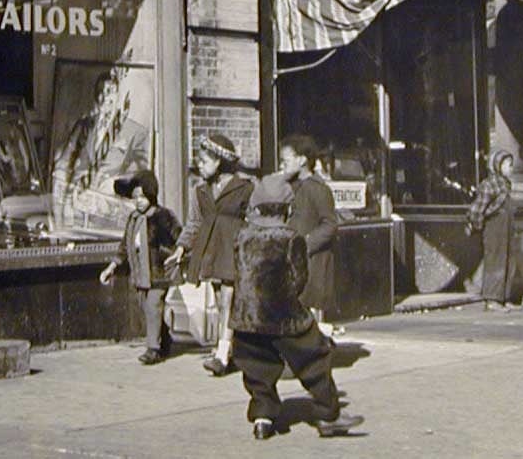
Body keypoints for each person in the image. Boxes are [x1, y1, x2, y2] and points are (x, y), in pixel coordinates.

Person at [230, 173, 363, 440]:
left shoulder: (243, 236)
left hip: (246, 316)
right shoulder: (291, 237)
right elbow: (299, 278)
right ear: (288, 208)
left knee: (257, 366)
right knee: (316, 357)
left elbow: (239, 272)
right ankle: (328, 415)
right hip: (283, 315)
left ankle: (263, 417)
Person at [165, 133, 253, 377]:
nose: (199, 165)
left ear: (220, 162)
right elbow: (194, 223)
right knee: (219, 300)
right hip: (210, 250)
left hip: (232, 247)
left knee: (228, 299)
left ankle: (223, 354)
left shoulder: (244, 188)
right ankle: (228, 349)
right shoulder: (199, 190)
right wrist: (181, 249)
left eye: (204, 160)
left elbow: (252, 220)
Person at [99, 169, 181, 365]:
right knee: (147, 308)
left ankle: (153, 349)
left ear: (152, 196)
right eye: (136, 197)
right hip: (141, 273)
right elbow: (124, 247)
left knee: (153, 306)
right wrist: (112, 267)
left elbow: (179, 236)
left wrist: (175, 254)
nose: (139, 201)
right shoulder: (133, 218)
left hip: (159, 273)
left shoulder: (162, 216)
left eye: (143, 197)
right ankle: (164, 338)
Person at [279, 134, 339, 336]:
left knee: (309, 311)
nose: (282, 165)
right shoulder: (291, 187)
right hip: (295, 261)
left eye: (285, 161)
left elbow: (330, 224)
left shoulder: (317, 189)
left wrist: (306, 243)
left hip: (313, 261)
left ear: (302, 160)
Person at [466, 148, 521, 310]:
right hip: (494, 228)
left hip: (507, 229)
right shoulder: (489, 184)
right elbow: (477, 209)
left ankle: (504, 297)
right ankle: (492, 299)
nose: (511, 169)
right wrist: (476, 225)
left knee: (509, 260)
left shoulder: (506, 184)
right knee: (495, 261)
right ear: (498, 166)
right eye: (508, 165)